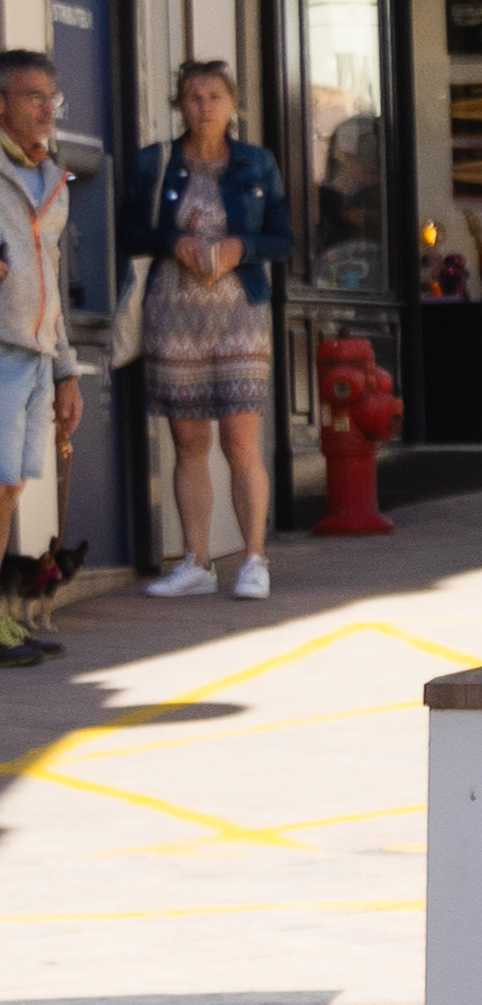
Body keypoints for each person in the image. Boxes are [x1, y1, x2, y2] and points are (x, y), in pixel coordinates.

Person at [137, 62, 284, 603]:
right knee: (188, 440)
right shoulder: (156, 162)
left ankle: (253, 558)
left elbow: (283, 238)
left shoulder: (257, 163)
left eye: (215, 96)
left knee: (240, 440)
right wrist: (170, 242)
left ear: (233, 104)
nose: (204, 106)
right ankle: (196, 561)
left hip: (239, 313)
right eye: (193, 97)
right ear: (180, 105)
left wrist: (240, 248)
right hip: (174, 313)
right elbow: (128, 228)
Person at [0, 48, 72, 666]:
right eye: (33, 96)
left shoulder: (53, 178)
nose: (48, 108)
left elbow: (50, 272)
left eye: (53, 97)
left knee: (8, 490)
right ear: (0, 103)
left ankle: (0, 621)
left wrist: (67, 367)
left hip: (35, 354)